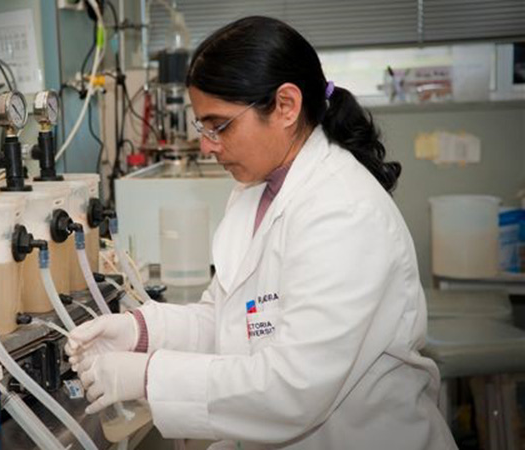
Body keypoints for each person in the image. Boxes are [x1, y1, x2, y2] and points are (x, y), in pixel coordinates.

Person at [66, 16, 457, 450]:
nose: (207, 145)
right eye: (202, 126)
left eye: (220, 125)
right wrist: (140, 330)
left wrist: (145, 374)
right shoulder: (256, 190)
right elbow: (231, 320)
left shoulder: (344, 211)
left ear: (286, 106)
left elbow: (294, 389)